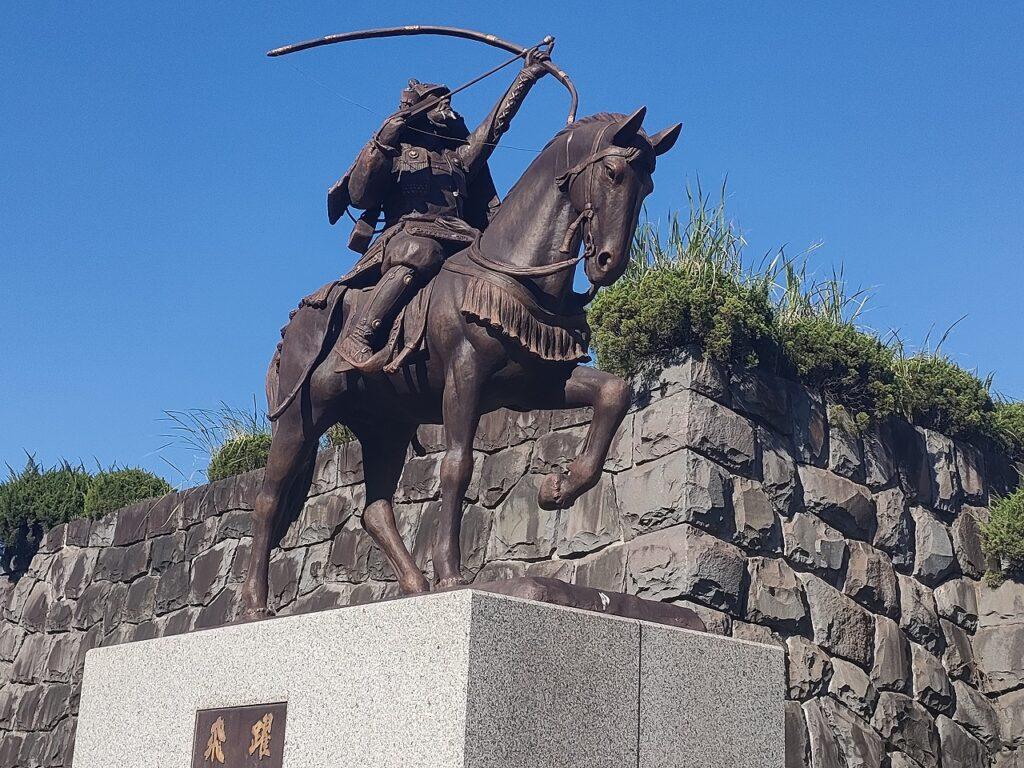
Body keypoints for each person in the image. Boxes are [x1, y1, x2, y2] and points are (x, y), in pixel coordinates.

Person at [327, 48, 551, 373]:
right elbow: (360, 194)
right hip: (409, 235)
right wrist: (383, 141)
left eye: (449, 99)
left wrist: (525, 77)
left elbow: (494, 127)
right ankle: (360, 335)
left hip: (461, 237)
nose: (448, 104)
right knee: (422, 252)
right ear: (420, 109)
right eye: (438, 100)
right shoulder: (397, 152)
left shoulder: (456, 158)